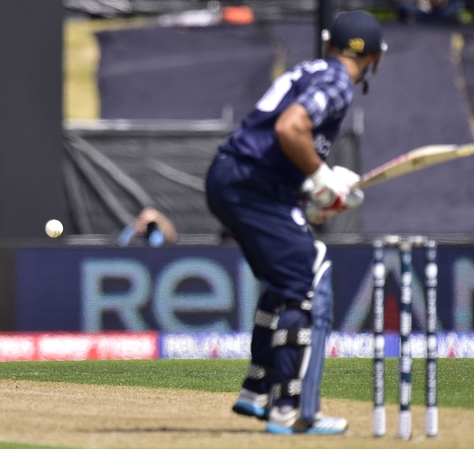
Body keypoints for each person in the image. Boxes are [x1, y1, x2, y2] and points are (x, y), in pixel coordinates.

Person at [205, 11, 386, 434]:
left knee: (284, 277)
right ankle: (290, 407)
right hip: (252, 183)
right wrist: (323, 179)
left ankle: (257, 387)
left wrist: (315, 196)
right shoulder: (338, 82)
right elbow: (291, 128)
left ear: (328, 44)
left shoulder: (310, 71)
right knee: (307, 273)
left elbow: (278, 143)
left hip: (235, 177)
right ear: (375, 57)